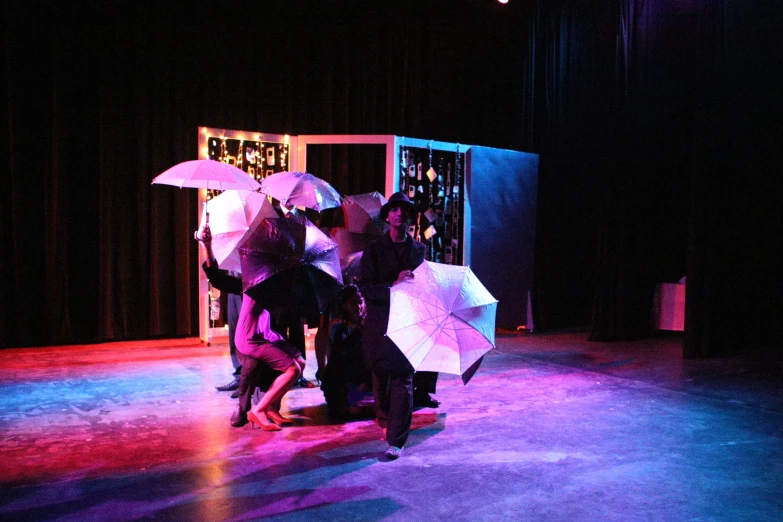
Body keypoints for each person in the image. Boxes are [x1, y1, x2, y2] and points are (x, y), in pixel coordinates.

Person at [196, 225, 301, 430]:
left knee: (298, 362)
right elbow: (219, 279)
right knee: (256, 366)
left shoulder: (281, 278)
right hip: (251, 337)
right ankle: (249, 410)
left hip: (268, 334)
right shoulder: (254, 278)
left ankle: (269, 407)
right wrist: (207, 246)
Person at [359, 191, 437, 460]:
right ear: (387, 215)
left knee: (404, 379)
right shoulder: (374, 250)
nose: (399, 214)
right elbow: (366, 287)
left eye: (404, 209)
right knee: (381, 378)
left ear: (410, 216)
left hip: (409, 322)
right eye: (394, 209)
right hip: (381, 322)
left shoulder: (419, 250)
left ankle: (397, 440)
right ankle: (385, 422)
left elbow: (426, 286)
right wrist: (393, 285)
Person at [195, 227, 243, 394]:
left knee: (248, 336)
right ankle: (240, 376)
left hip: (249, 282)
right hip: (234, 282)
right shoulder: (235, 222)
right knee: (235, 332)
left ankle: (248, 380)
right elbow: (217, 277)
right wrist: (207, 246)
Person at [319, 284, 372, 417]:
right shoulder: (338, 325)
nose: (358, 307)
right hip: (342, 378)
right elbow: (341, 353)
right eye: (353, 303)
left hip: (362, 377)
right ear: (344, 306)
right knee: (350, 412)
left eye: (360, 302)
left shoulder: (368, 322)